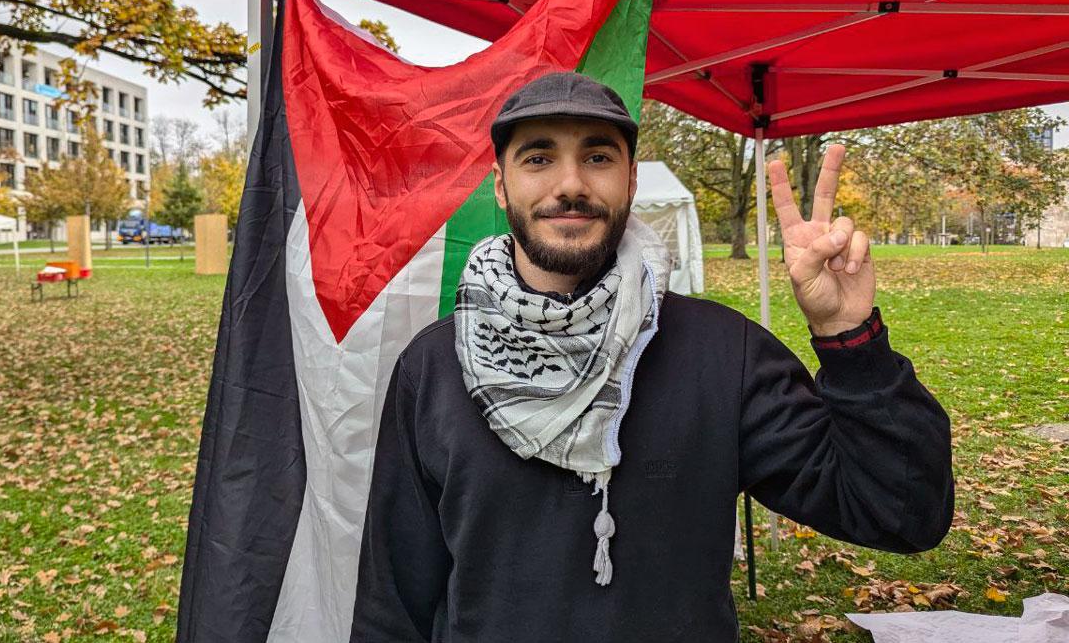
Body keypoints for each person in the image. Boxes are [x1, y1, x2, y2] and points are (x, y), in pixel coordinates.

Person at [350, 71, 954, 643]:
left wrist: (850, 338)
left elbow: (900, 513)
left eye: (598, 157)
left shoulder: (724, 353)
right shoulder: (434, 367)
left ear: (631, 181)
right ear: (502, 185)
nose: (570, 185)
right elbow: (393, 599)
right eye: (538, 158)